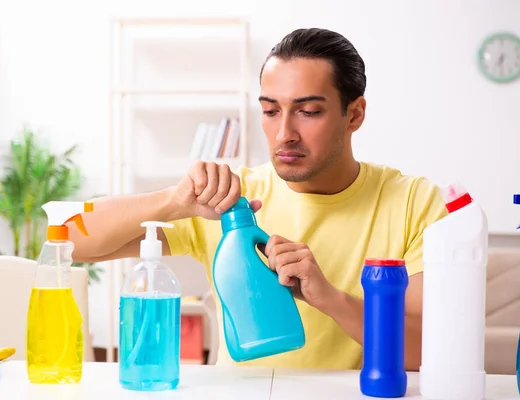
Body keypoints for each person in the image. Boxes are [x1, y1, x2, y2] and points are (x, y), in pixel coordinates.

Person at [70, 27, 447, 371]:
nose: (284, 133)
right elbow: (69, 241)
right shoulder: (229, 199)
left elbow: (428, 350)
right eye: (270, 111)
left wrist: (330, 299)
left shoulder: (412, 202)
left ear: (355, 114)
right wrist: (173, 200)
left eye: (309, 111)